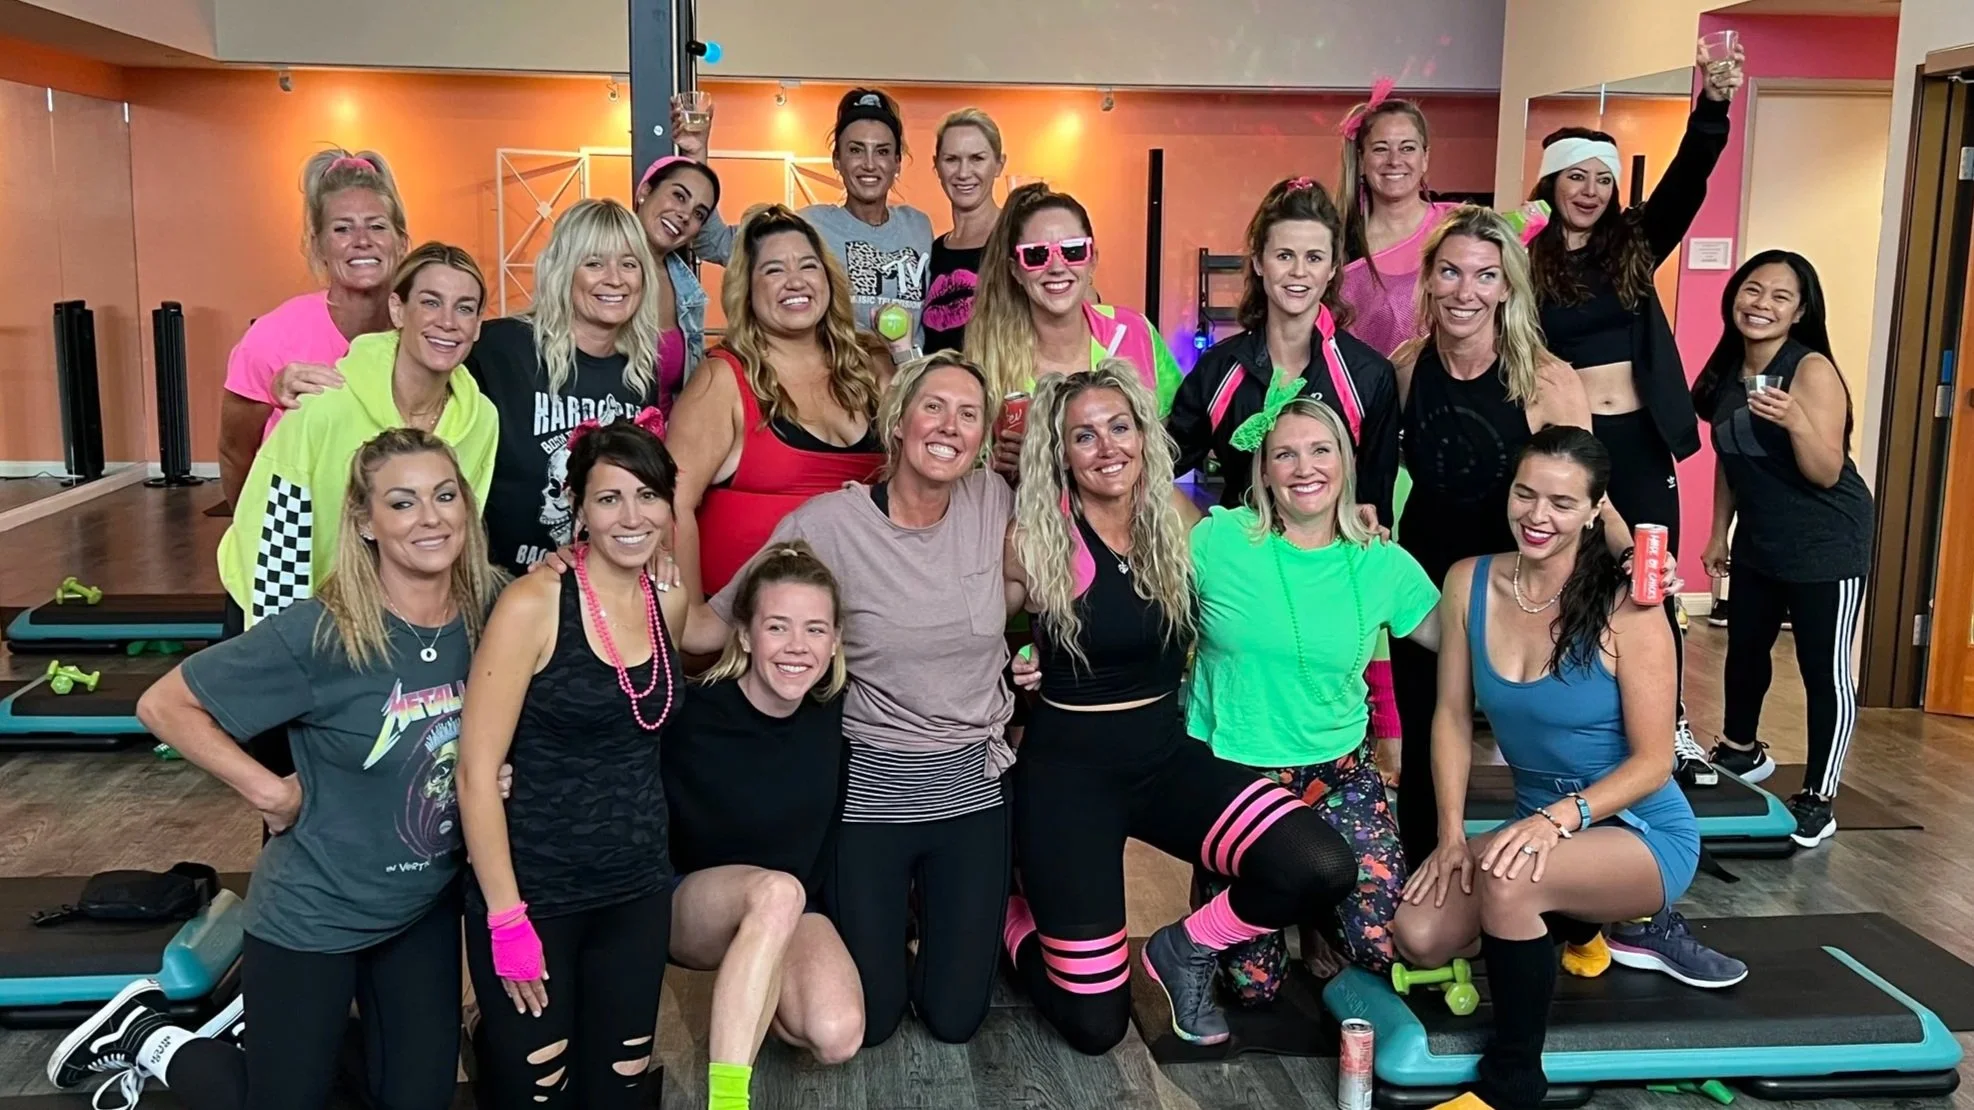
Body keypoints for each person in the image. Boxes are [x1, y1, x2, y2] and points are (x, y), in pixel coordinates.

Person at [48, 430, 503, 1110]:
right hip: (313, 913)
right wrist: (266, 789)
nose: (430, 518)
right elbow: (164, 704)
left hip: (420, 909)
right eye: (402, 502)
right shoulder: (321, 633)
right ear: (365, 522)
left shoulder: (490, 610)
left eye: (444, 496)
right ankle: (155, 1040)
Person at [1385, 209, 1738, 985]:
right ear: (1429, 281)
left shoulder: (1544, 377)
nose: (1466, 290)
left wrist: (1640, 565)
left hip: (1533, 585)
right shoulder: (1407, 367)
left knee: (1575, 738)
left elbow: (1588, 490)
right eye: (1450, 271)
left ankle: (1629, 906)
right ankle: (1445, 881)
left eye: (1486, 275)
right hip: (1440, 590)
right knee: (1428, 741)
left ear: (1508, 287)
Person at [999, 365, 1361, 1051]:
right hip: (1067, 783)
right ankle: (1009, 920)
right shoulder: (1034, 538)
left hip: (1166, 762)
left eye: (1120, 427)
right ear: (1060, 452)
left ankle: (1182, 948)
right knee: (1096, 1026)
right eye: (1084, 435)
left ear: (1144, 434)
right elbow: (962, 627)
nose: (1108, 447)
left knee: (1319, 864)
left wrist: (1348, 527)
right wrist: (1015, 664)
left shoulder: (1178, 518)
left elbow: (1277, 549)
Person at [1393, 428, 1732, 1110]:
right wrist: (1452, 835)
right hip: (1542, 822)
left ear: (1595, 509)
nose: (1537, 516)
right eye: (1525, 495)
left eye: (1561, 502)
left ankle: (1513, 1080)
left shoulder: (1631, 608)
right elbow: (1451, 716)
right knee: (1420, 935)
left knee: (1509, 883)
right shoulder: (1469, 581)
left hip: (1639, 827)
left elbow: (1655, 762)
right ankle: (1575, 921)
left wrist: (1559, 820)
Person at [694, 353, 1015, 1048]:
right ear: (898, 421)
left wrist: (1034, 648)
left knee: (955, 1020)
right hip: (871, 797)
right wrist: (618, 579)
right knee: (872, 1022)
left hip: (971, 791)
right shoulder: (828, 524)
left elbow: (1030, 585)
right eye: (934, 407)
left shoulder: (994, 500)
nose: (949, 426)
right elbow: (720, 622)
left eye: (968, 415)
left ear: (982, 437)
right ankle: (805, 951)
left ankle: (972, 927)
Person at [456, 418, 694, 1109]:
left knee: (619, 1088)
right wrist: (506, 918)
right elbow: (476, 773)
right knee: (540, 1091)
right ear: (579, 507)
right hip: (538, 893)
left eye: (647, 496)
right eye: (609, 498)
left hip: (636, 890)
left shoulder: (669, 598)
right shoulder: (532, 604)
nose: (631, 516)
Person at [1528, 36, 1747, 787]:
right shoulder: (1526, 261)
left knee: (1651, 579)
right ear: (1552, 182)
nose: (1590, 190)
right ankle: (1579, 721)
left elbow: (1689, 178)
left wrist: (1713, 103)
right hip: (1571, 446)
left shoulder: (1633, 244)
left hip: (1641, 441)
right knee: (1573, 577)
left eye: (1603, 178)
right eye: (1576, 176)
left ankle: (1669, 725)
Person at [1187, 398, 1436, 1002]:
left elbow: (1462, 637)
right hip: (1238, 779)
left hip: (1339, 775)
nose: (1305, 468)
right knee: (1254, 990)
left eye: (1320, 450)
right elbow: (1139, 602)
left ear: (1345, 461)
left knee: (1383, 945)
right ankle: (1246, 895)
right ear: (1264, 470)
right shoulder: (1219, 539)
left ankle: (1320, 908)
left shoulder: (1379, 559)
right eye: (1286, 454)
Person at [1168, 177, 1404, 778]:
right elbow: (1158, 463)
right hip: (1240, 593)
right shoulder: (1218, 370)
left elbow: (1373, 508)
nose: (1298, 272)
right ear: (1258, 262)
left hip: (1325, 601)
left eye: (1314, 257)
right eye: (1284, 255)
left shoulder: (1369, 376)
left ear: (1333, 269)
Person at [662, 542, 866, 1106]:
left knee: (838, 1035)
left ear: (835, 641)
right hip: (685, 901)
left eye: (815, 630)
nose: (797, 646)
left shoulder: (833, 711)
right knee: (778, 892)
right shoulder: (691, 712)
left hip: (789, 907)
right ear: (746, 635)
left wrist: (1028, 665)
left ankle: (751, 988)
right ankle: (728, 1100)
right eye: (777, 626)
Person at [1690, 251, 1874, 849]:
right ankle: (1741, 750)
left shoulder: (1811, 370)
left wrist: (1796, 420)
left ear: (1799, 312)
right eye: (1752, 289)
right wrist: (1718, 531)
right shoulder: (1727, 370)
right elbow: (1730, 455)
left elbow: (1826, 471)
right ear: (1734, 296)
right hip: (1760, 537)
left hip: (1826, 538)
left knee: (1824, 669)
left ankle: (1819, 796)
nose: (1761, 304)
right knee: (1744, 648)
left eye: (1780, 296)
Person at [219, 242, 498, 631]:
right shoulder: (325, 403)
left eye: (464, 308)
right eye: (431, 303)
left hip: (383, 619)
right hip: (282, 606)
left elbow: (455, 536)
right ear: (398, 310)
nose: (448, 322)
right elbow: (274, 530)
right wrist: (282, 642)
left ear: (478, 325)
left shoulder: (481, 419)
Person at [667, 205, 888, 598]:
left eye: (808, 266)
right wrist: (692, 617)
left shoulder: (871, 366)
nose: (795, 281)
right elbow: (671, 504)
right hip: (745, 625)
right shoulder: (722, 380)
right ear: (747, 290)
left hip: (864, 616)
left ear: (828, 278)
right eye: (773, 270)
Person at [466, 199, 673, 575]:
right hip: (501, 583)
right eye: (594, 263)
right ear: (563, 269)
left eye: (629, 264)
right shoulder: (500, 347)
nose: (615, 279)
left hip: (596, 587)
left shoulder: (640, 370)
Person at [219, 149, 408, 510]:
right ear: (318, 244)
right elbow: (234, 453)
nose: (362, 240)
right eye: (342, 229)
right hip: (298, 531)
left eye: (377, 226)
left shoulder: (421, 334)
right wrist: (253, 533)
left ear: (401, 241)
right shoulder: (270, 339)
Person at [968, 182, 1184, 476]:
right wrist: (997, 467)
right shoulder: (989, 356)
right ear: (1015, 270)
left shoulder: (1134, 332)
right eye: (1036, 255)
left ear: (1092, 259)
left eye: (1072, 251)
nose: (1057, 267)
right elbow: (970, 468)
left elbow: (1168, 446)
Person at [685, 88, 933, 342]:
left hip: (911, 368)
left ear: (897, 162)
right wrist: (696, 154)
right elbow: (712, 242)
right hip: (840, 367)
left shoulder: (918, 226)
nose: (869, 164)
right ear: (837, 160)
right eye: (856, 150)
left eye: (882, 151)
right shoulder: (809, 226)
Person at [1334, 88, 1462, 359]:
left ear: (1425, 158)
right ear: (1361, 159)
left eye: (1407, 148)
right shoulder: (1338, 242)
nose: (1394, 161)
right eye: (1381, 149)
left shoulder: (1459, 224)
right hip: (1367, 384)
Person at [631, 156, 723, 411]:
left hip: (667, 435)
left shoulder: (688, 293)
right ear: (645, 191)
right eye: (679, 196)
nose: (685, 215)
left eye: (698, 214)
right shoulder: (593, 273)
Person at [923, 109, 1007, 353]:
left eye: (977, 158)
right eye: (951, 159)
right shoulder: (932, 252)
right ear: (936, 166)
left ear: (999, 165)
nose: (963, 173)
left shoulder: (1018, 239)